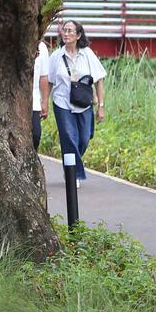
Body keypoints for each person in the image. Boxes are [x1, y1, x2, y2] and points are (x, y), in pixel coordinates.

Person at [39, 20, 106, 188]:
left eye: (70, 31)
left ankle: (70, 165)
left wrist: (101, 106)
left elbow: (99, 80)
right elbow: (49, 81)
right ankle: (73, 173)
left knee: (84, 138)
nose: (66, 34)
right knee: (69, 137)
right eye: (64, 30)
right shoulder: (56, 56)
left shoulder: (87, 54)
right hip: (62, 103)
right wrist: (44, 102)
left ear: (78, 35)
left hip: (84, 103)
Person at [32, 38, 49, 150]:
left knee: (36, 134)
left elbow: (43, 76)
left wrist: (45, 102)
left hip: (34, 99)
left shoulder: (42, 47)